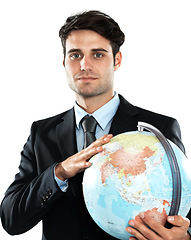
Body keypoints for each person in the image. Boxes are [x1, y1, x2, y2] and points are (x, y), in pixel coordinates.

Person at [0, 10, 190, 240]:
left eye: (98, 55)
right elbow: (11, 219)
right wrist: (59, 172)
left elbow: (184, 205)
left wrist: (184, 237)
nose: (84, 65)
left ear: (117, 60)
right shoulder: (42, 133)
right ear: (64, 62)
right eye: (75, 55)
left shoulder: (157, 128)